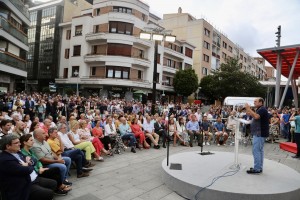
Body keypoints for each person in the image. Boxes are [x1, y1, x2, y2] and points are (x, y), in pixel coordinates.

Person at [0, 135, 56, 200]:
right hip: (20, 186)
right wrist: (29, 165)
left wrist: (28, 164)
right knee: (48, 193)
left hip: (31, 179)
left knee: (53, 183)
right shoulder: (5, 159)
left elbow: (34, 159)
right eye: (16, 143)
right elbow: (26, 170)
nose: (20, 144)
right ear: (7, 146)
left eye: (19, 142)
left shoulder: (17, 152)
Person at [245, 97, 269, 174]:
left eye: (256, 101)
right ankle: (259, 167)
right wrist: (249, 111)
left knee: (256, 151)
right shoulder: (259, 109)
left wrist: (248, 108)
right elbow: (255, 117)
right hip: (259, 133)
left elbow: (256, 116)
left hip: (259, 133)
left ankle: (257, 169)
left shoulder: (262, 109)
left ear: (261, 102)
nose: (254, 102)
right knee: (260, 151)